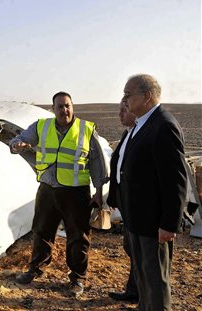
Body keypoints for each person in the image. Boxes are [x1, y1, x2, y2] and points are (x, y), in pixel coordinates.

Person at [10, 91, 108, 297]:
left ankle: (77, 278)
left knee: (78, 236)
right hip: (47, 190)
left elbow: (97, 162)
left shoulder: (86, 129)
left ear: (73, 107)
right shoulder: (41, 126)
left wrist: (99, 192)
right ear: (53, 109)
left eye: (67, 106)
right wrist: (17, 145)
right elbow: (19, 140)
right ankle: (36, 268)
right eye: (60, 107)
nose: (64, 110)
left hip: (76, 193)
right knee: (41, 231)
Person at [118, 74, 187, 311]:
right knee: (144, 279)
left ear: (146, 96)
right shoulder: (142, 124)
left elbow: (175, 180)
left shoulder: (163, 125)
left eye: (128, 94)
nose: (124, 99)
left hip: (153, 224)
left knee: (156, 282)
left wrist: (169, 224)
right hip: (137, 221)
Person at [106, 101, 139, 303]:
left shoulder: (142, 134)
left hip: (139, 205)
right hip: (127, 203)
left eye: (123, 110)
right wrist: (114, 196)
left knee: (139, 251)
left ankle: (142, 294)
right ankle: (134, 290)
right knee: (131, 248)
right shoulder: (128, 133)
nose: (119, 114)